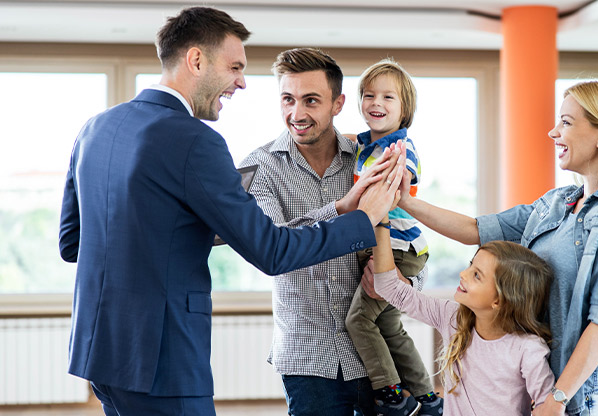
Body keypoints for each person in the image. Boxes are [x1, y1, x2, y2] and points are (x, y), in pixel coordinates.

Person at [58, 9, 402, 416]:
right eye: (235, 67)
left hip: (101, 351)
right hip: (161, 356)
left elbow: (73, 242)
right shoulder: (195, 141)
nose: (241, 81)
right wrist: (360, 220)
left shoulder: (96, 128)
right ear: (197, 60)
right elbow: (272, 251)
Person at [375, 80, 598, 416]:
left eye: (566, 122)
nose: (553, 132)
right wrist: (404, 201)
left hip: (590, 395)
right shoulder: (555, 203)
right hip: (545, 388)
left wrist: (558, 397)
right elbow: (473, 229)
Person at [238, 48, 426, 416]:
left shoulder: (369, 155)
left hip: (376, 359)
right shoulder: (259, 167)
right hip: (309, 361)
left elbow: (406, 226)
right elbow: (272, 248)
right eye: (288, 99)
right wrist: (344, 207)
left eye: (311, 100)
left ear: (338, 103)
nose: (297, 114)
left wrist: (405, 282)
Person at [369, 207, 556, 415]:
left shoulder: (527, 349)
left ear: (499, 300)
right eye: (470, 265)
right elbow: (388, 287)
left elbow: (548, 406)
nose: (463, 274)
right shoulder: (453, 318)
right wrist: (382, 220)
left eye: (477, 275)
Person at [344, 58, 441, 416]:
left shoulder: (399, 148)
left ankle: (390, 392)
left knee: (359, 319)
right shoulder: (366, 144)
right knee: (388, 323)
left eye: (388, 97)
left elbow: (399, 179)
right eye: (369, 95)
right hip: (387, 247)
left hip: (399, 249)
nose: (376, 103)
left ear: (404, 110)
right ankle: (427, 397)